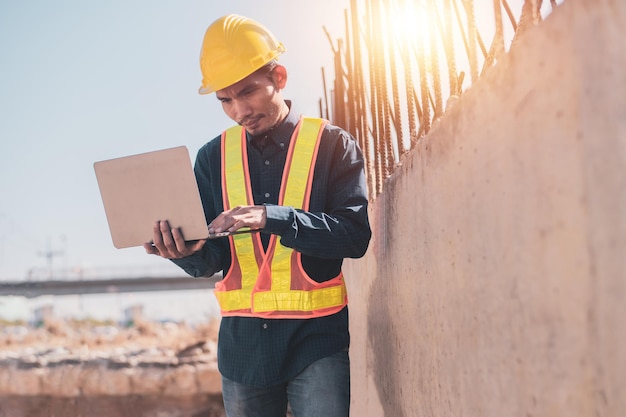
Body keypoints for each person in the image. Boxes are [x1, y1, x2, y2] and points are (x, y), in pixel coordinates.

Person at [144, 14, 371, 417]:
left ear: (279, 77)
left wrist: (272, 217)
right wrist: (182, 250)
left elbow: (354, 237)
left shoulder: (333, 144)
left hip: (315, 341)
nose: (239, 110)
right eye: (225, 100)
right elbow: (212, 260)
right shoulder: (212, 158)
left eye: (247, 92)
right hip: (243, 351)